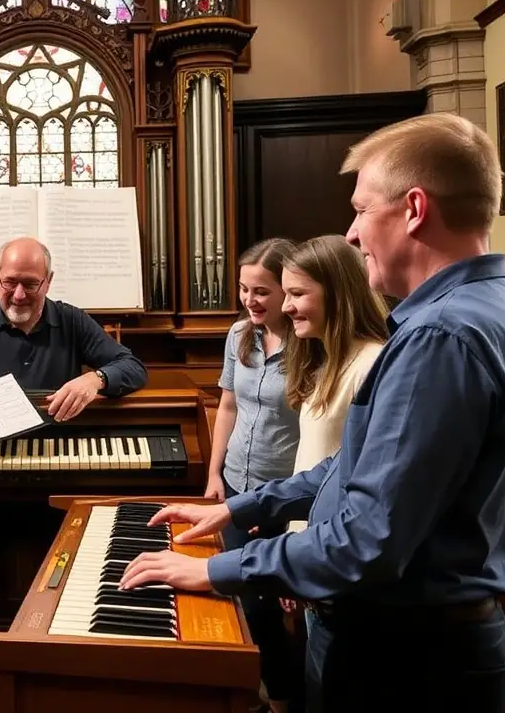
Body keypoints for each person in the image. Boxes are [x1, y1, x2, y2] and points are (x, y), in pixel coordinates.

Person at [120, 113, 505, 712]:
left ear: (414, 209)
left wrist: (218, 570)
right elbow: (350, 471)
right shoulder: (490, 309)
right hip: (419, 642)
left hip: (404, 660)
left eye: (361, 210)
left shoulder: (442, 336)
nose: (352, 233)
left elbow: (367, 539)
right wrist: (239, 506)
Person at [205, 237, 303, 713]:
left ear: (288, 289)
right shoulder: (239, 334)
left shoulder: (311, 345)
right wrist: (214, 473)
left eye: (261, 291)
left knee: (273, 603)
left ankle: (284, 699)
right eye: (244, 289)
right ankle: (254, 694)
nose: (249, 300)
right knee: (245, 600)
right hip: (236, 487)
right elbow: (227, 405)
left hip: (284, 496)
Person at [0, 237, 148, 422]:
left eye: (31, 284)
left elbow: (133, 367)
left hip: (58, 440)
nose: (19, 295)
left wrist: (95, 379)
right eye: (10, 282)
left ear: (48, 281)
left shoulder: (72, 320)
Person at [280, 234, 388, 534]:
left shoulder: (371, 365)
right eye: (286, 294)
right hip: (307, 532)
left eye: (297, 294)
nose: (286, 307)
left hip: (332, 540)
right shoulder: (327, 360)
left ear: (337, 295)